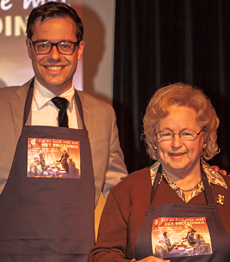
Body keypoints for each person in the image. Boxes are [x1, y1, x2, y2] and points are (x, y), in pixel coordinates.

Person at [0, 2, 127, 261]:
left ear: (80, 49)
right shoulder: (1, 106)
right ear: (29, 48)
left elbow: (120, 191)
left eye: (65, 45)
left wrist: (185, 180)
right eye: (43, 44)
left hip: (81, 255)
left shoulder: (103, 114)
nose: (54, 56)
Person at [89, 83, 230, 262]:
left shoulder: (226, 190)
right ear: (154, 140)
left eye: (186, 133)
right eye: (166, 134)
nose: (176, 144)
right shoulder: (128, 190)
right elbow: (101, 255)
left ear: (204, 137)